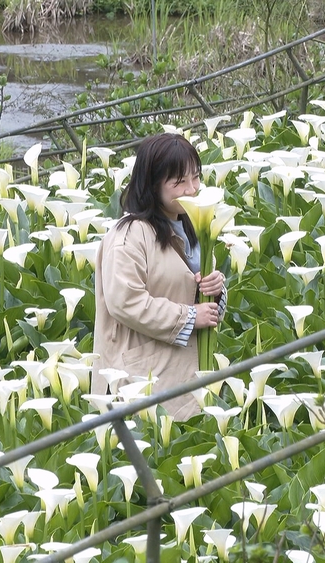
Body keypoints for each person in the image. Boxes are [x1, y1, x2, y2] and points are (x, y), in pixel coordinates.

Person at [92, 133, 226, 420]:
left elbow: (193, 292)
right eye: (179, 182)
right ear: (153, 185)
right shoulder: (129, 235)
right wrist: (190, 316)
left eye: (195, 177)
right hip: (143, 383)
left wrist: (214, 291)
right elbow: (125, 302)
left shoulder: (191, 225)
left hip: (184, 375)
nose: (192, 189)